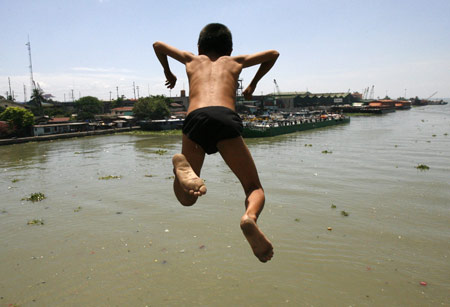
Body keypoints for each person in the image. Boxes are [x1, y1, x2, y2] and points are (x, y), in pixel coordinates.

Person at [153, 23, 279, 262]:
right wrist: (253, 83)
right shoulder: (234, 61)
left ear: (199, 47)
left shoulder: (191, 59)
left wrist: (168, 73)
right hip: (225, 118)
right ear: (229, 49)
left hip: (195, 119)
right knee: (253, 187)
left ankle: (180, 169)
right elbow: (273, 54)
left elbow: (158, 45)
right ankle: (249, 218)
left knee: (187, 199)